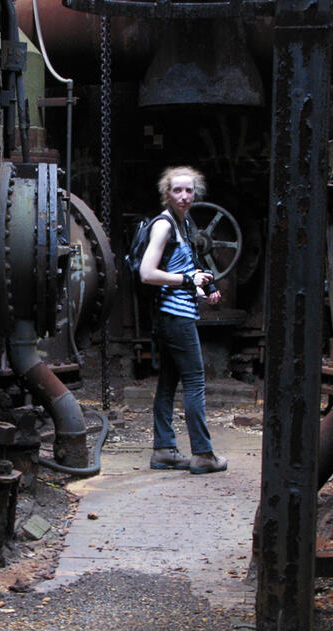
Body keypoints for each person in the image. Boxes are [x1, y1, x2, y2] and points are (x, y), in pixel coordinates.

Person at [138, 166, 227, 474]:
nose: (184, 196)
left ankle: (164, 451)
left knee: (167, 383)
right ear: (167, 193)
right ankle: (202, 454)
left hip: (173, 314)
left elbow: (182, 268)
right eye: (178, 190)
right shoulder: (163, 225)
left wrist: (203, 286)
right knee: (194, 382)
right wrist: (189, 281)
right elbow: (147, 274)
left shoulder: (184, 223)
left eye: (189, 190)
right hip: (174, 317)